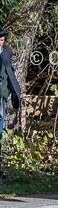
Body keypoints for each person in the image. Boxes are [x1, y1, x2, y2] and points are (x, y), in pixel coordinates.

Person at [0, 25, 23, 182]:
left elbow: (10, 73)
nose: (0, 43)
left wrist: (13, 91)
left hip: (1, 96)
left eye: (2, 40)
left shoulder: (6, 52)